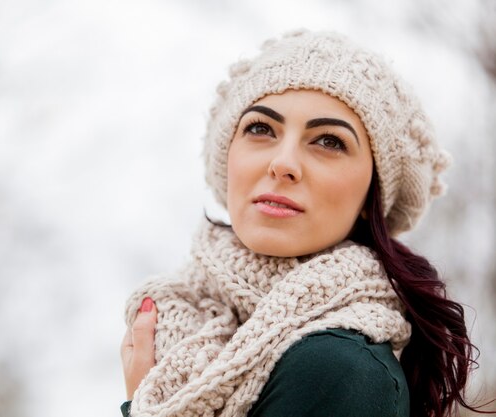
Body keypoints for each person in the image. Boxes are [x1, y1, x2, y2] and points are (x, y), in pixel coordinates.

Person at [119, 30, 486, 417]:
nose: (283, 163)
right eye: (260, 129)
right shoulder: (179, 326)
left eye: (329, 141)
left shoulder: (339, 370)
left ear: (371, 196)